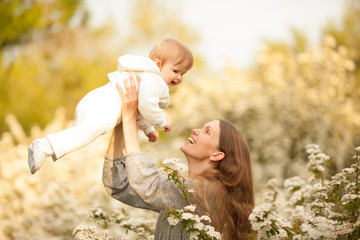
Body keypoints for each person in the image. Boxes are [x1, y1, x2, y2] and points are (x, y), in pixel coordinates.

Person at [102, 76, 255, 239]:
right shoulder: (185, 189)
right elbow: (118, 186)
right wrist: (121, 124)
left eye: (207, 131)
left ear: (217, 155)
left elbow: (145, 185)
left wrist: (129, 118)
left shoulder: (204, 190)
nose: (196, 130)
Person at [28, 38, 193, 174]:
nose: (179, 78)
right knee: (85, 134)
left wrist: (148, 130)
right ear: (158, 65)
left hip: (95, 99)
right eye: (176, 71)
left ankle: (44, 148)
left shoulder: (144, 76)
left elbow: (139, 110)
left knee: (81, 135)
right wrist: (162, 121)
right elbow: (147, 105)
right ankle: (44, 146)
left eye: (183, 74)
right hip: (104, 105)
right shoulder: (154, 78)